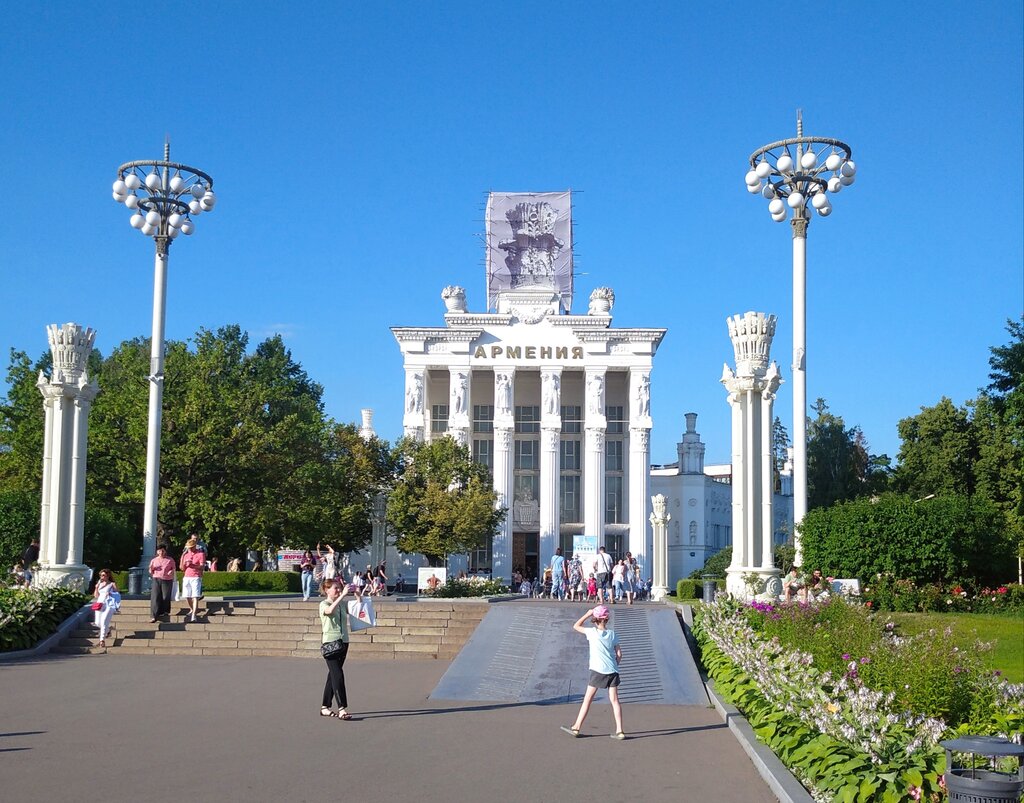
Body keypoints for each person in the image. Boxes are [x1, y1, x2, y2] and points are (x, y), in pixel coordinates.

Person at [560, 605, 625, 740]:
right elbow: (619, 654)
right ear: (606, 619)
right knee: (615, 700)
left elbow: (576, 626)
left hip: (597, 671)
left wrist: (587, 614)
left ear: (595, 619)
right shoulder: (613, 634)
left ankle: (576, 727)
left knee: (588, 700)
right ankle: (620, 731)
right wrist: (615, 664)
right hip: (613, 671)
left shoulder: (592, 632)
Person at [318, 577, 359, 720]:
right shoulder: (324, 604)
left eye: (339, 588)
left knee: (333, 675)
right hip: (330, 643)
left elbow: (358, 608)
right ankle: (342, 708)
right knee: (338, 675)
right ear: (326, 590)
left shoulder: (342, 605)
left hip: (343, 641)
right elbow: (329, 611)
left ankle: (325, 706)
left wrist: (358, 594)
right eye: (336, 588)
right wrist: (342, 596)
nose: (338, 590)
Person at [179, 537, 205, 622]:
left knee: (195, 596)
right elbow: (182, 568)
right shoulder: (186, 555)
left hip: (196, 576)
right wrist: (183, 558)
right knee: (187, 596)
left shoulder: (200, 554)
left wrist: (193, 565)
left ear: (195, 547)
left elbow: (202, 566)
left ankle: (193, 614)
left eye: (191, 547)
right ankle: (193, 609)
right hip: (187, 576)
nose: (189, 549)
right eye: (188, 548)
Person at [148, 544, 176, 622]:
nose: (161, 552)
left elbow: (173, 569)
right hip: (156, 578)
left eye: (163, 551)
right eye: (159, 551)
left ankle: (165, 611)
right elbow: (150, 571)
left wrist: (171, 572)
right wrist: (151, 569)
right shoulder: (154, 560)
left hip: (167, 579)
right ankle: (153, 615)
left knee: (165, 596)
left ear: (165, 551)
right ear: (157, 551)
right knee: (155, 597)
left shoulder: (170, 560)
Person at [92, 569, 119, 649]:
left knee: (103, 622)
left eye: (104, 575)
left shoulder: (112, 584)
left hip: (109, 604)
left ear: (108, 576)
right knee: (97, 623)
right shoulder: (99, 584)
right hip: (100, 604)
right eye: (101, 575)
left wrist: (110, 593)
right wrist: (96, 588)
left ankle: (102, 640)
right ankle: (108, 631)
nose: (102, 577)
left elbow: (117, 593)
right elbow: (96, 596)